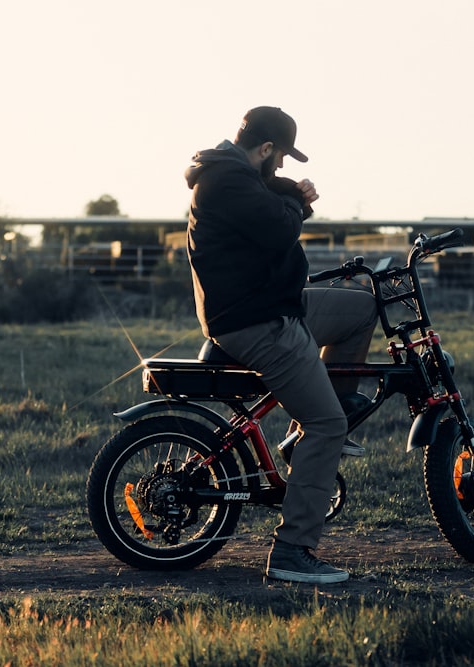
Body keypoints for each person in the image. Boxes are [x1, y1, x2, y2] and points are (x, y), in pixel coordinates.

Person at [184, 106, 378, 584]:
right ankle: (293, 551)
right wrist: (297, 203)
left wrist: (292, 195)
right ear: (266, 149)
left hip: (274, 303)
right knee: (328, 423)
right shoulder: (227, 182)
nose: (284, 168)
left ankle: (300, 434)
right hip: (258, 320)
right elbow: (279, 228)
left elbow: (272, 206)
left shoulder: (236, 176)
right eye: (282, 158)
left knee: (361, 307)